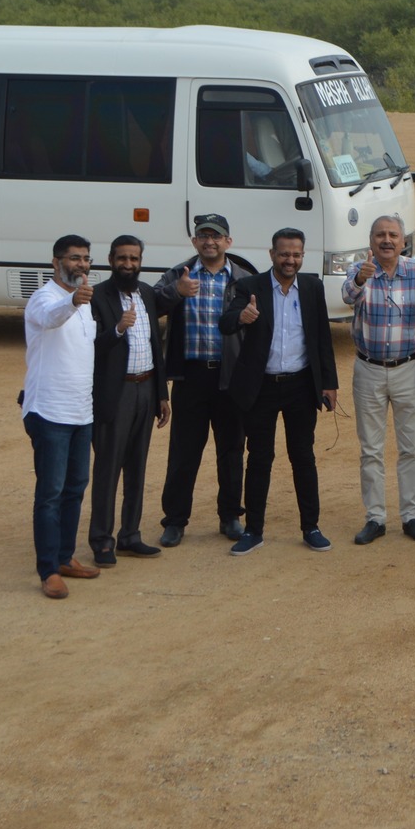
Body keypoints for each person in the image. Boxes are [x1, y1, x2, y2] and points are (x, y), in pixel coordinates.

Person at [220, 228, 340, 556]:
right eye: (284, 254)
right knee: (259, 458)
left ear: (303, 256)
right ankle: (254, 530)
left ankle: (311, 527)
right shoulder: (250, 286)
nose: (290, 260)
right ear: (272, 254)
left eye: (296, 255)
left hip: (301, 385)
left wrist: (329, 383)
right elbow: (225, 323)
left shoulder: (313, 287)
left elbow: (322, 338)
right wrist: (242, 316)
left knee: (303, 457)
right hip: (261, 387)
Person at [153, 213, 257, 547]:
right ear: (195, 241)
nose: (210, 242)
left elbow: (260, 326)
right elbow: (150, 304)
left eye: (216, 236)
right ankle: (175, 520)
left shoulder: (244, 278)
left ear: (228, 241)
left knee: (231, 450)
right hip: (191, 375)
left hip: (230, 376)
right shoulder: (179, 275)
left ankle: (230, 516)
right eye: (203, 236)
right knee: (184, 452)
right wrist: (176, 292)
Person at [342, 214, 415, 546]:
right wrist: (360, 279)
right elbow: (346, 296)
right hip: (368, 369)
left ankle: (412, 516)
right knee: (370, 448)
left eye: (393, 235)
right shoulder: (360, 270)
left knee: (411, 448)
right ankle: (375, 517)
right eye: (380, 235)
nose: (387, 240)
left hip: (409, 369)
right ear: (371, 241)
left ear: (403, 241)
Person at [22, 235, 102, 598]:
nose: (81, 264)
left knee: (75, 488)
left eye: (85, 258)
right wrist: (72, 300)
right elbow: (50, 318)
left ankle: (66, 557)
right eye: (74, 258)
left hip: (81, 411)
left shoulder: (84, 301)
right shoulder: (44, 298)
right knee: (50, 493)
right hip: (49, 411)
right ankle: (48, 570)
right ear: (56, 262)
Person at [87, 235, 170, 566]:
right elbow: (89, 348)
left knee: (137, 467)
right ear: (111, 260)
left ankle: (130, 536)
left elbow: (154, 346)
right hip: (115, 392)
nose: (128, 264)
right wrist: (118, 329)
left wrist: (162, 394)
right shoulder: (97, 297)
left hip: (145, 389)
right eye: (122, 258)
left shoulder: (146, 293)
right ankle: (101, 541)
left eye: (134, 259)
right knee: (108, 469)